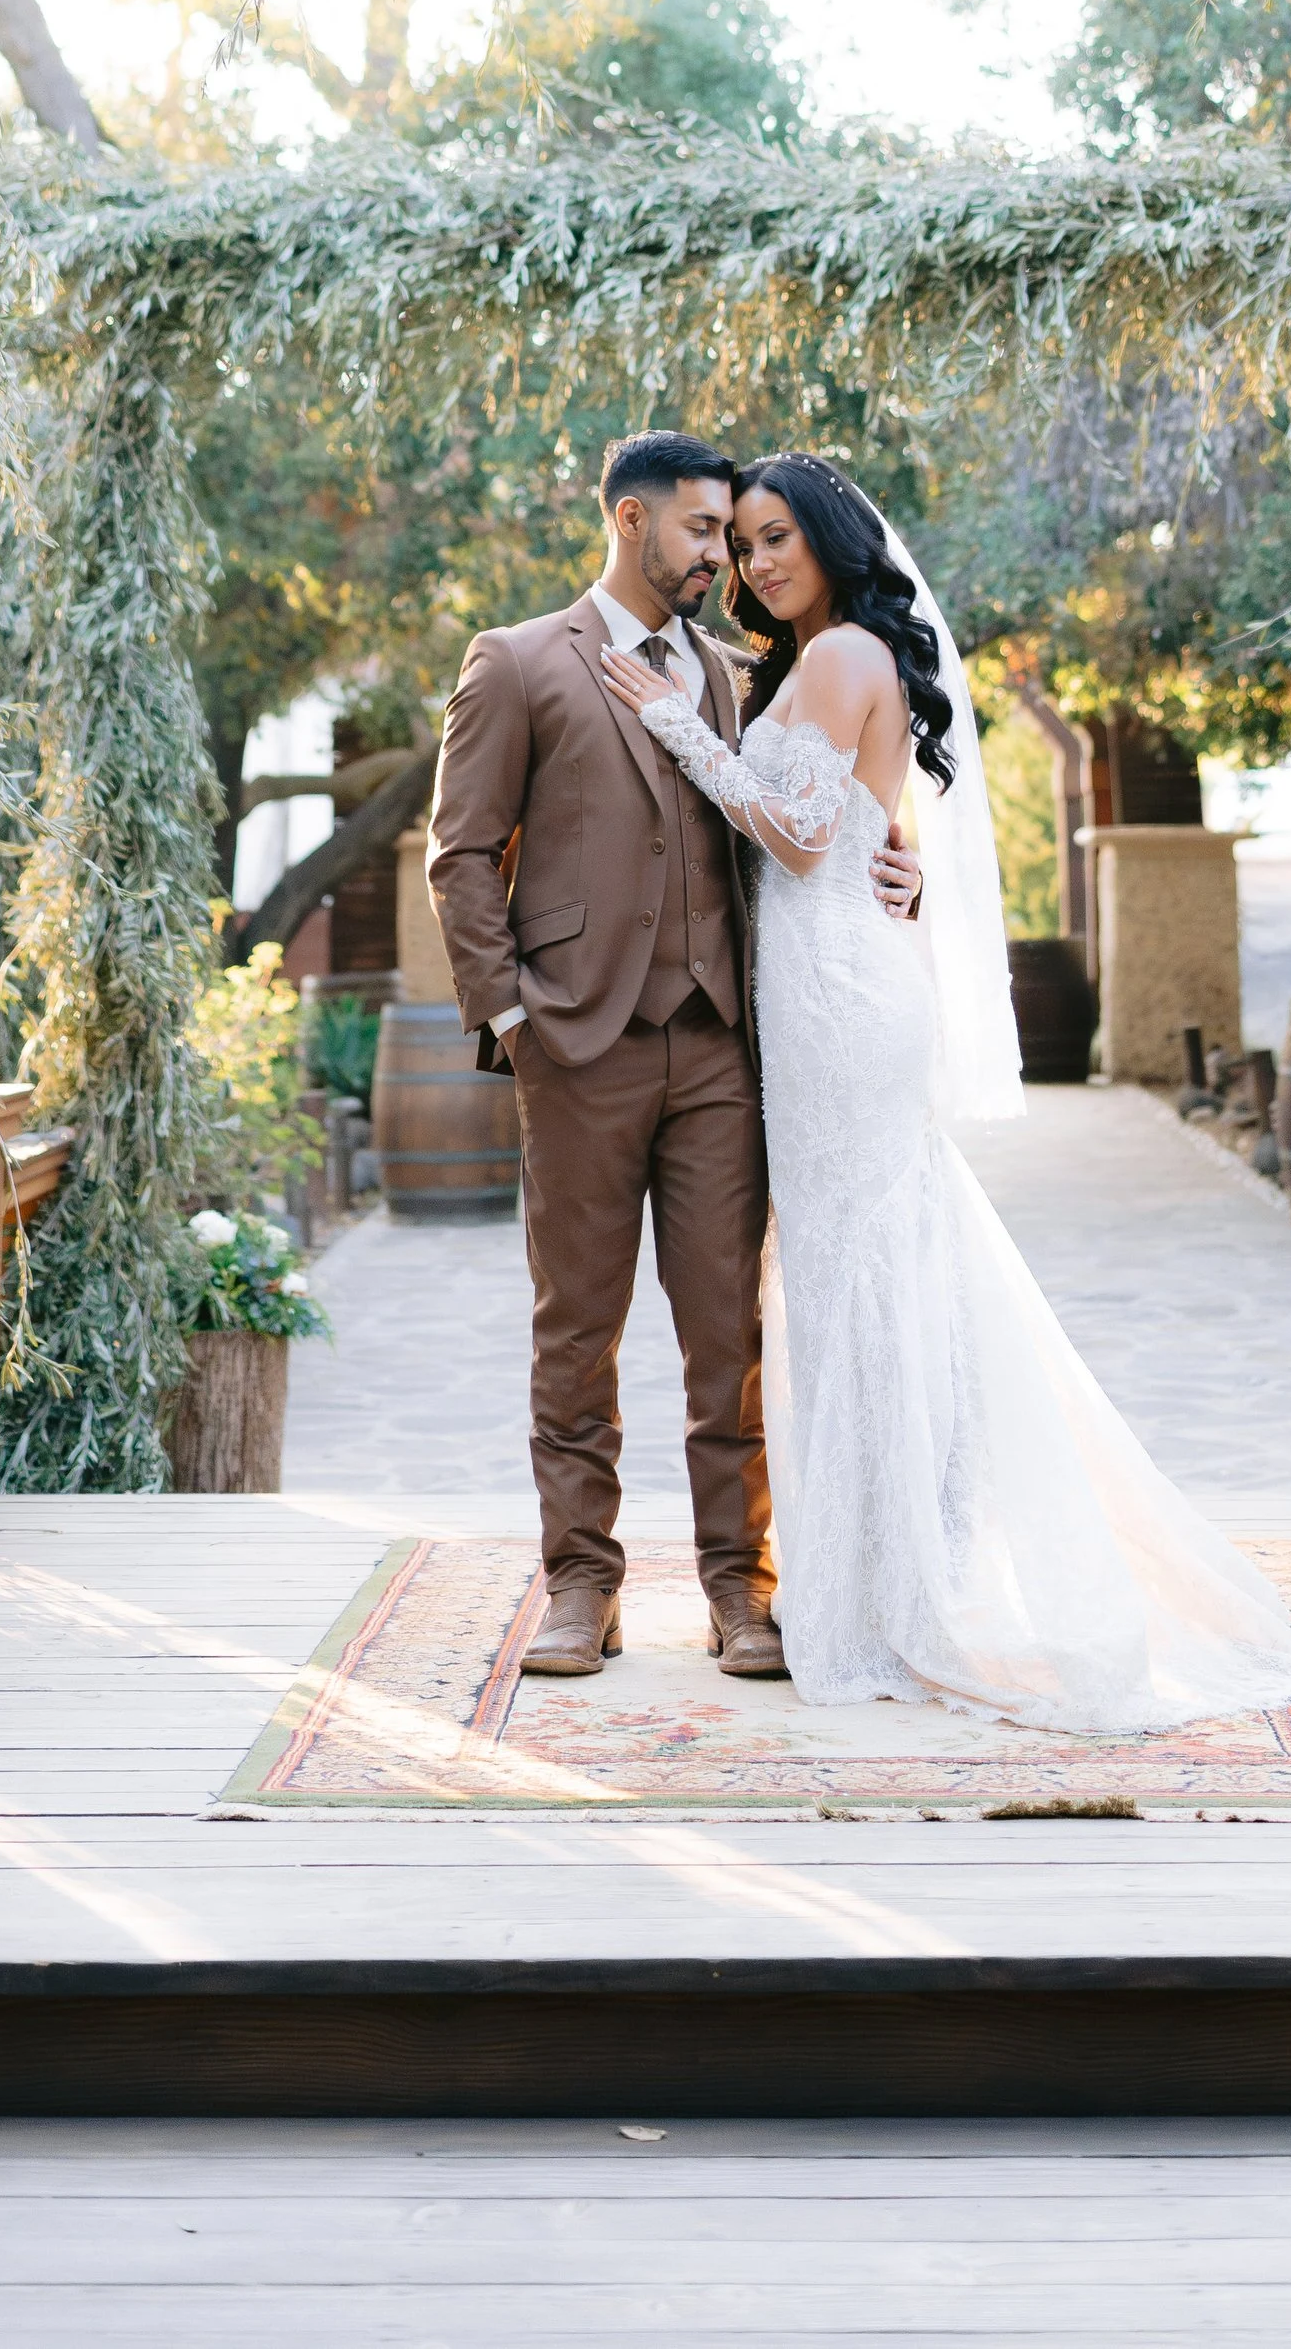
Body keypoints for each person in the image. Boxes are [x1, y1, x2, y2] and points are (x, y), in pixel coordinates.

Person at [599, 450, 1291, 1732]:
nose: (757, 562)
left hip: (843, 1006)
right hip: (827, 991)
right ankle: (893, 1573)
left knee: (859, 1285)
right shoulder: (815, 662)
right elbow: (852, 827)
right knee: (859, 1284)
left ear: (831, 540)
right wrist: (873, 846)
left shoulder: (843, 656)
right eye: (746, 543)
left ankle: (899, 1590)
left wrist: (674, 725)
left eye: (779, 538)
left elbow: (799, 840)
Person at [425, 432, 925, 1680]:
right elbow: (461, 853)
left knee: (728, 1335)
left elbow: (830, 808)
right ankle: (579, 1587)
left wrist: (898, 867)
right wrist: (510, 1018)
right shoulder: (517, 661)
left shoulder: (742, 675)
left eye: (736, 537)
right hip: (576, 1045)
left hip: (723, 1050)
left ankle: (739, 1588)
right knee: (574, 1329)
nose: (724, 560)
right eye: (706, 532)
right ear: (632, 520)